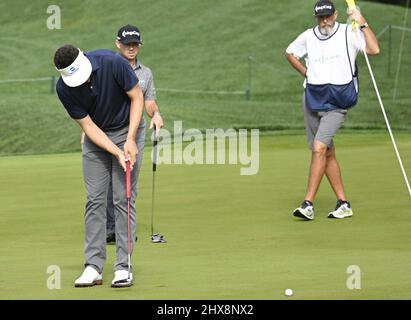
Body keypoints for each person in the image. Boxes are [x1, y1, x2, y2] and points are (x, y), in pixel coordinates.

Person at [54, 44, 144, 287]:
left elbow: (137, 97)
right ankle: (93, 266)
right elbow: (89, 127)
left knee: (122, 198)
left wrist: (130, 140)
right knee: (95, 199)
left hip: (128, 128)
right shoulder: (64, 88)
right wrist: (115, 151)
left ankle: (123, 267)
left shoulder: (112, 61)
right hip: (97, 138)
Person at [285, 0, 379, 220]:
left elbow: (374, 49)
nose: (324, 21)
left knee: (319, 148)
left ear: (336, 15)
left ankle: (307, 204)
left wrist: (362, 22)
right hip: (312, 98)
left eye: (328, 16)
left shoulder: (349, 32)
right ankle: (343, 203)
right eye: (320, 17)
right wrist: (306, 74)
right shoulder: (309, 36)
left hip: (338, 101)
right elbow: (290, 53)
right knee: (326, 152)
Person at [105, 24, 164, 243]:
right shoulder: (109, 67)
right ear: (117, 43)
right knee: (109, 182)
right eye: (127, 44)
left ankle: (124, 230)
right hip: (110, 130)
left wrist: (156, 114)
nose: (131, 48)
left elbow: (149, 102)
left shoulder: (145, 73)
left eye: (135, 44)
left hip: (135, 133)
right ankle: (111, 228)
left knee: (129, 180)